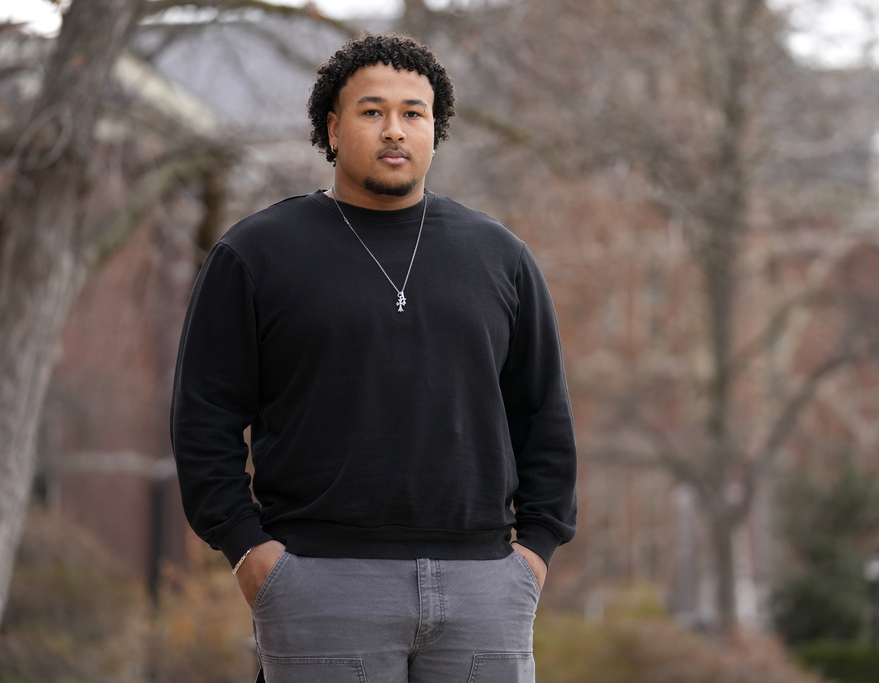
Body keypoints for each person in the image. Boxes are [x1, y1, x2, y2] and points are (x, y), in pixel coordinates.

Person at [170, 32, 577, 683]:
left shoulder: (500, 257)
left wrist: (535, 552)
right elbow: (203, 418)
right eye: (372, 111)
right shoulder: (257, 254)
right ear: (332, 128)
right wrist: (250, 549)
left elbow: (544, 415)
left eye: (413, 113)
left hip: (483, 591)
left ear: (434, 133)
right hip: (321, 585)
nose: (395, 130)